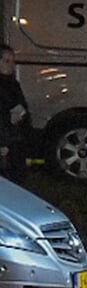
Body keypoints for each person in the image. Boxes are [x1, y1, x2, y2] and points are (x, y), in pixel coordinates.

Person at [0, 42, 31, 183]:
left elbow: (22, 107)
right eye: (7, 61)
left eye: (13, 62)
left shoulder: (13, 84)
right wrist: (3, 143)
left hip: (16, 139)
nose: (11, 66)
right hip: (6, 140)